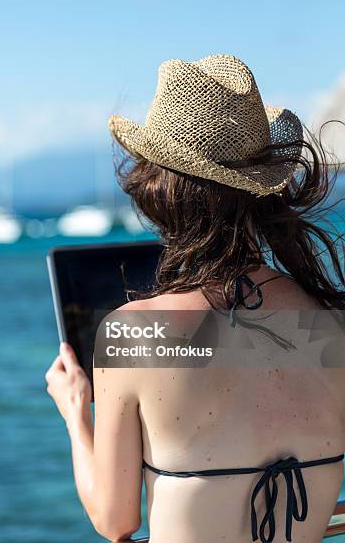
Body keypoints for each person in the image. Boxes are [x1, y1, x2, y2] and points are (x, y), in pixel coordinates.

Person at [45, 54, 345, 543]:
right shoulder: (334, 324)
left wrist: (76, 411)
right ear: (262, 192)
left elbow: (116, 521)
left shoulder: (135, 333)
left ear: (163, 190)